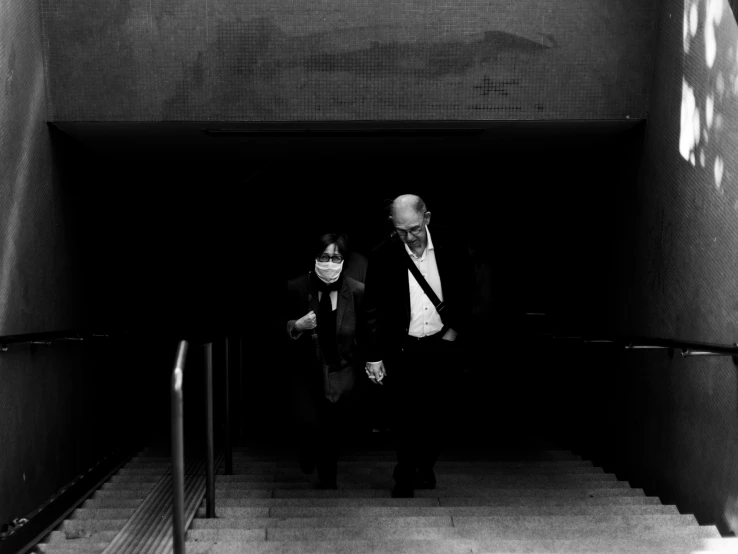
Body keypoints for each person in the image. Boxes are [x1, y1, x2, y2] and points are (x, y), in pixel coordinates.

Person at [364, 194, 474, 498]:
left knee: (440, 416)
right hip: (404, 348)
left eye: (413, 229)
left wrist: (453, 332)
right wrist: (374, 355)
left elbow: (468, 290)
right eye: (401, 231)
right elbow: (371, 308)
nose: (408, 237)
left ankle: (425, 464)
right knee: (405, 416)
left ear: (426, 218)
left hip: (443, 344)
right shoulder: (383, 254)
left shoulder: (451, 242)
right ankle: (405, 474)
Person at [285, 232, 365, 489]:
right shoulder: (296, 287)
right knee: (308, 423)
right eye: (324, 256)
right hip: (306, 372)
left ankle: (328, 477)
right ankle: (307, 453)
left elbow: (366, 330)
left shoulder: (355, 291)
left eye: (336, 257)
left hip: (339, 371)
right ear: (315, 258)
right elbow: (275, 325)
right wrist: (296, 325)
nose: (329, 262)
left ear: (344, 260)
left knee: (332, 428)